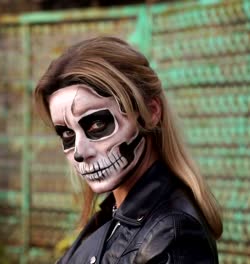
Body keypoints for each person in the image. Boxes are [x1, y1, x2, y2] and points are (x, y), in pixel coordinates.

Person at [34, 36, 222, 263]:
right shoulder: (112, 214)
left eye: (96, 124)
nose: (79, 152)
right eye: (67, 134)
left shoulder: (173, 236)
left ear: (150, 112)